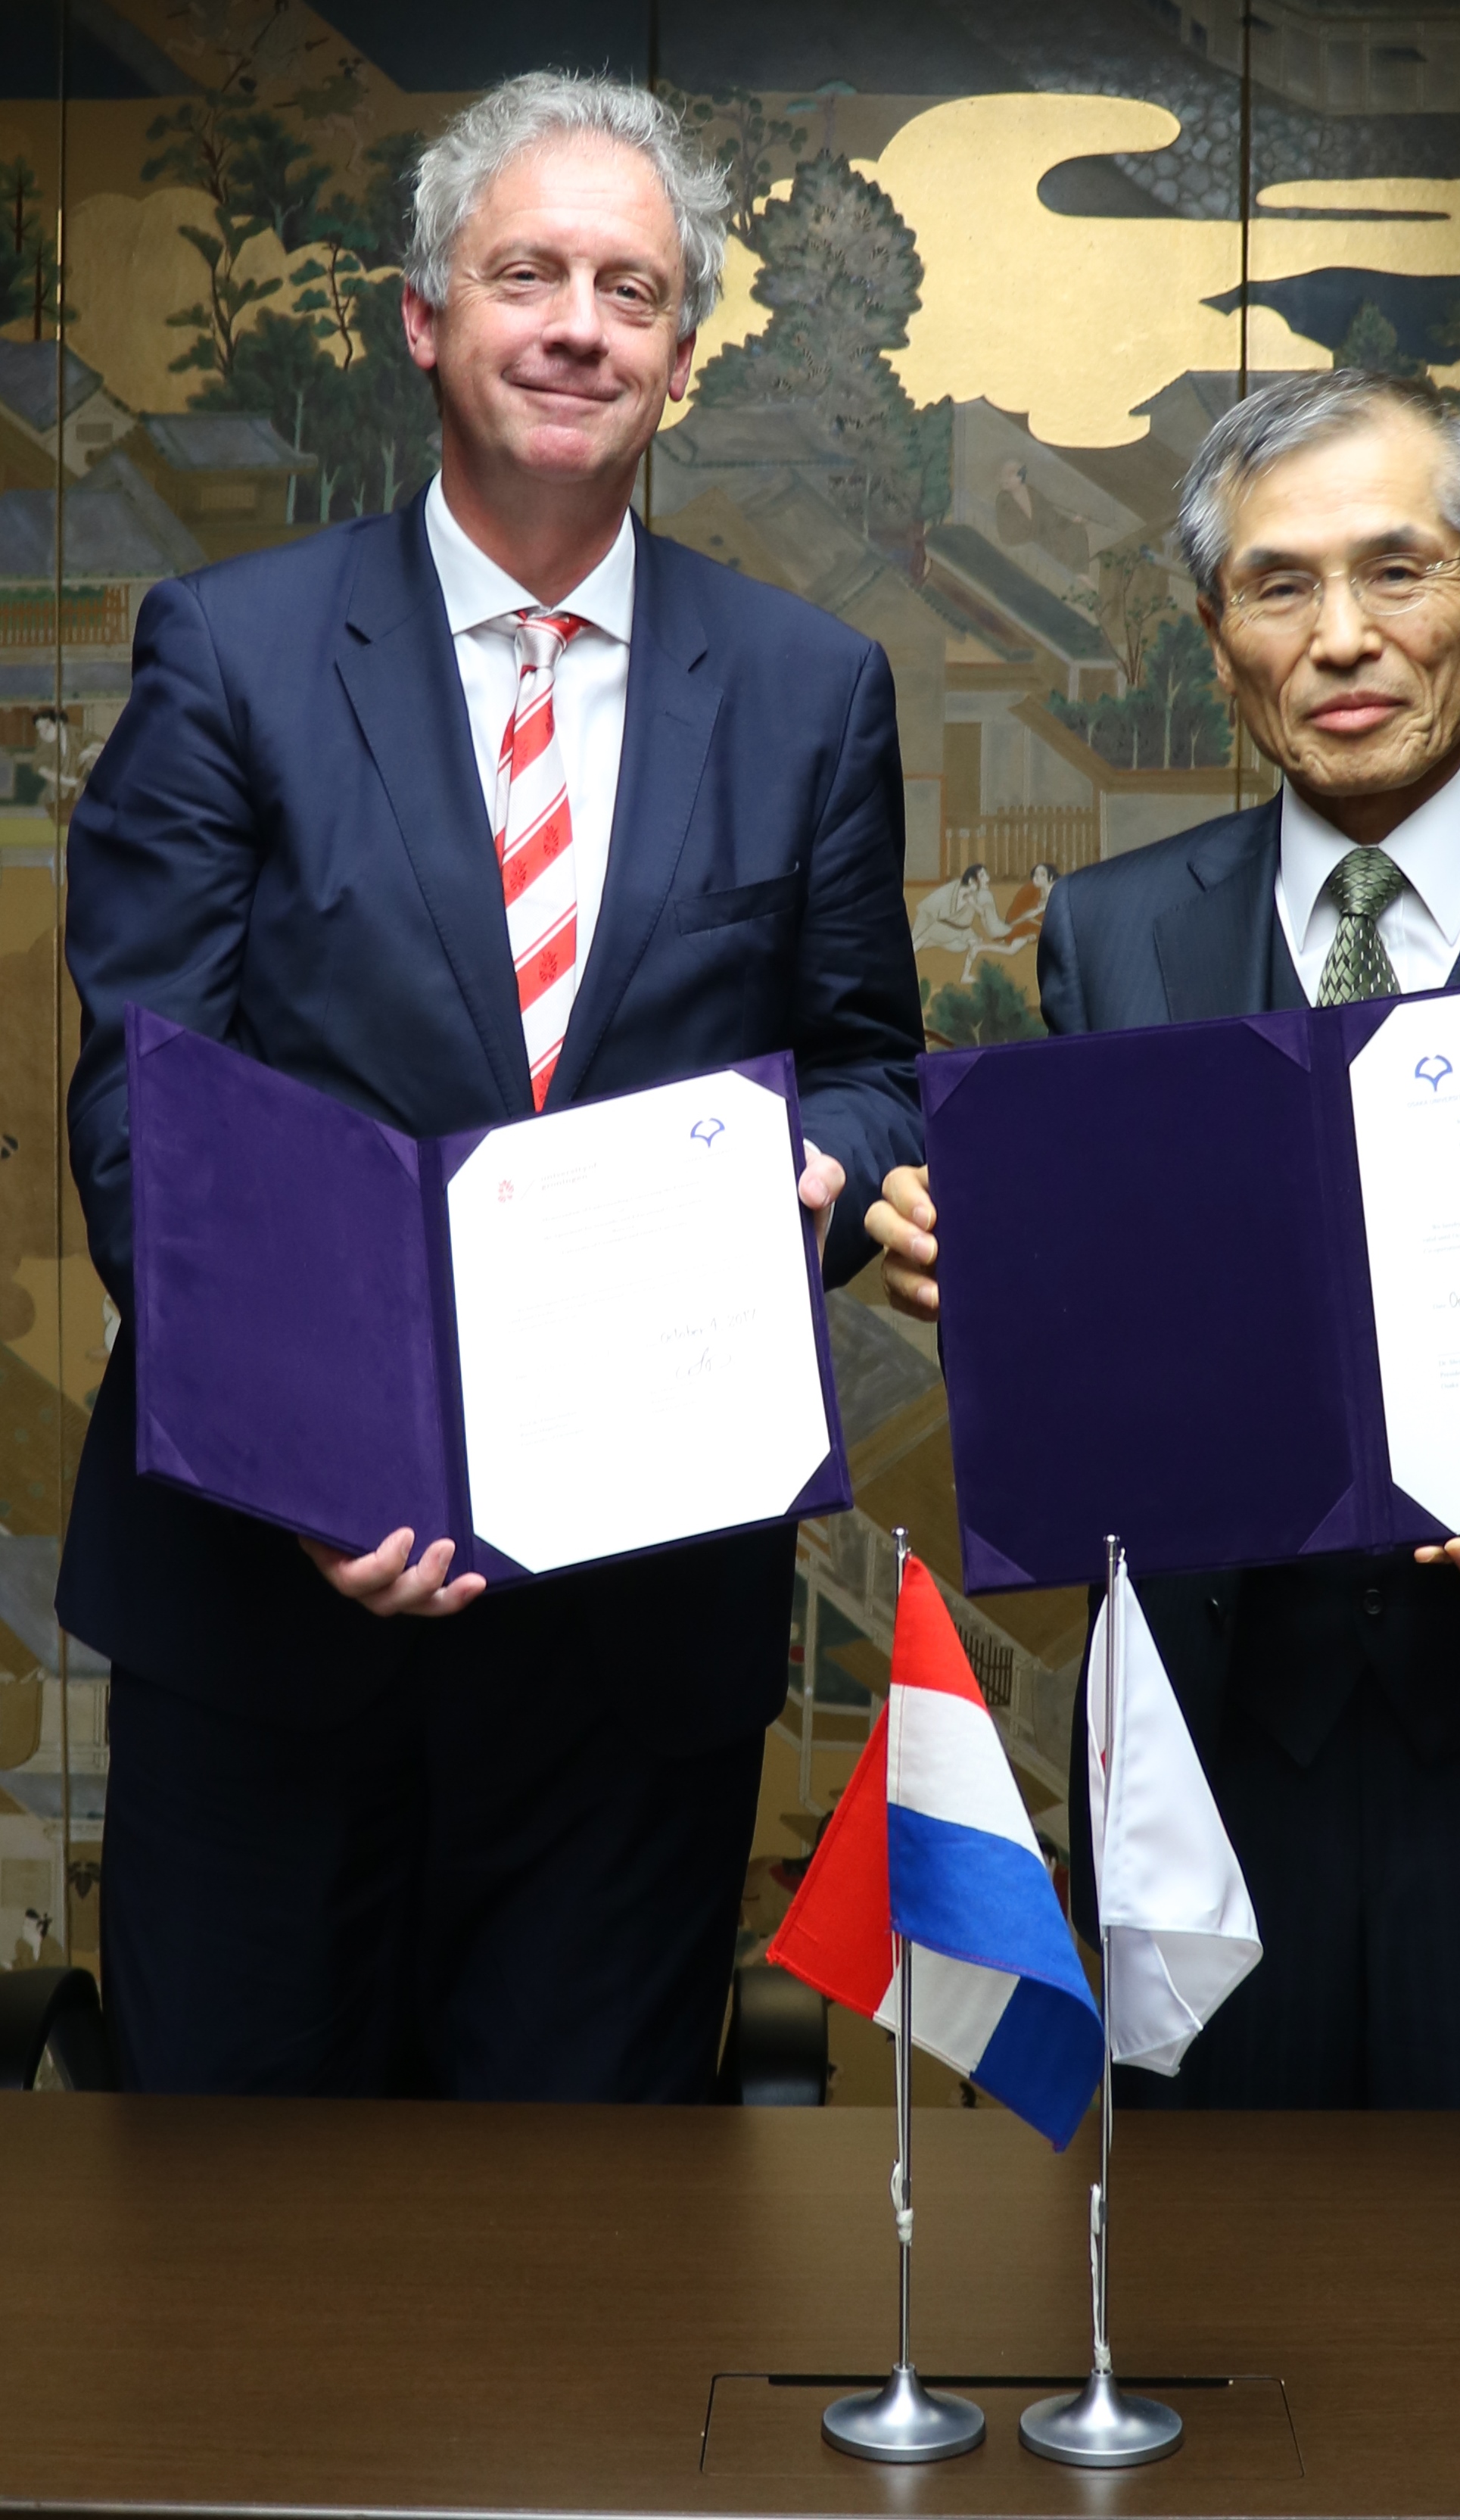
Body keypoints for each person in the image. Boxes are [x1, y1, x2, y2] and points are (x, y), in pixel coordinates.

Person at [58, 72, 923, 2100]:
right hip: (268, 1623)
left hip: (635, 1649)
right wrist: (299, 1458)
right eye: (527, 274)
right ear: (424, 316)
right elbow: (148, 1112)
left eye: (631, 290)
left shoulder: (808, 690)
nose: (578, 327)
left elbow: (873, 1066)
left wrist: (823, 1168)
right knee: (235, 2225)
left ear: (682, 358)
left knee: (581, 2242)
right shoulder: (230, 652)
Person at [867, 369, 1460, 2109]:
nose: (1341, 636)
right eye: (1278, 584)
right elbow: (1129, 1312)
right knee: (1218, 2263)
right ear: (1214, 631)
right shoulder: (1111, 931)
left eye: (1396, 569)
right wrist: (1003, 1287)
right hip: (1221, 1767)